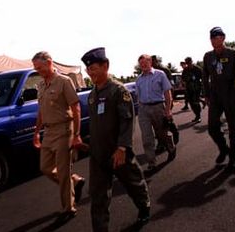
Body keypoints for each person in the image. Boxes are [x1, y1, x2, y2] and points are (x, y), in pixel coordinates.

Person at [81, 47, 150, 231]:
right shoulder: (92, 95)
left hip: (118, 152)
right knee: (98, 197)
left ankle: (144, 208)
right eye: (88, 69)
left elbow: (127, 120)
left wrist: (122, 148)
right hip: (98, 154)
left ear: (106, 66)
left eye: (93, 68)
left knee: (134, 184)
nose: (90, 72)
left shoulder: (118, 91)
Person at [32, 51, 85, 223]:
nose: (38, 71)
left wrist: (77, 134)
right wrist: (36, 133)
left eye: (39, 67)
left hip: (64, 130)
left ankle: (68, 208)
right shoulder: (41, 85)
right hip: (48, 132)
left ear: (49, 63)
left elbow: (75, 108)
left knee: (63, 171)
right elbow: (41, 111)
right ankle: (74, 181)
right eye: (35, 68)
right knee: (45, 167)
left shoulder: (64, 81)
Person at [202, 27, 235, 170]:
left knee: (234, 128)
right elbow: (205, 76)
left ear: (223, 38)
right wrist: (207, 95)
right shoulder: (208, 56)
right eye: (212, 38)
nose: (214, 40)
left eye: (217, 37)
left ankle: (233, 158)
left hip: (230, 93)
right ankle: (224, 149)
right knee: (212, 127)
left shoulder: (233, 54)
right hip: (215, 94)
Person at [136, 54, 176, 171]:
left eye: (145, 62)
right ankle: (151, 163)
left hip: (158, 107)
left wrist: (168, 110)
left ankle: (171, 148)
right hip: (144, 109)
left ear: (150, 62)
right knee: (147, 137)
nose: (143, 65)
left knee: (162, 134)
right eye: (141, 63)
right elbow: (138, 97)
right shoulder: (138, 79)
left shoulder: (160, 74)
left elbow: (167, 93)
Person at [181, 57, 204, 123]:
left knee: (196, 102)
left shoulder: (197, 69)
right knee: (191, 103)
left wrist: (203, 88)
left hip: (197, 88)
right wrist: (184, 83)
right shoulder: (185, 70)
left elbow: (202, 78)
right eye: (187, 63)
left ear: (191, 61)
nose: (188, 64)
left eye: (189, 62)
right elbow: (183, 79)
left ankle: (198, 116)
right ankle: (196, 115)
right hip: (189, 88)